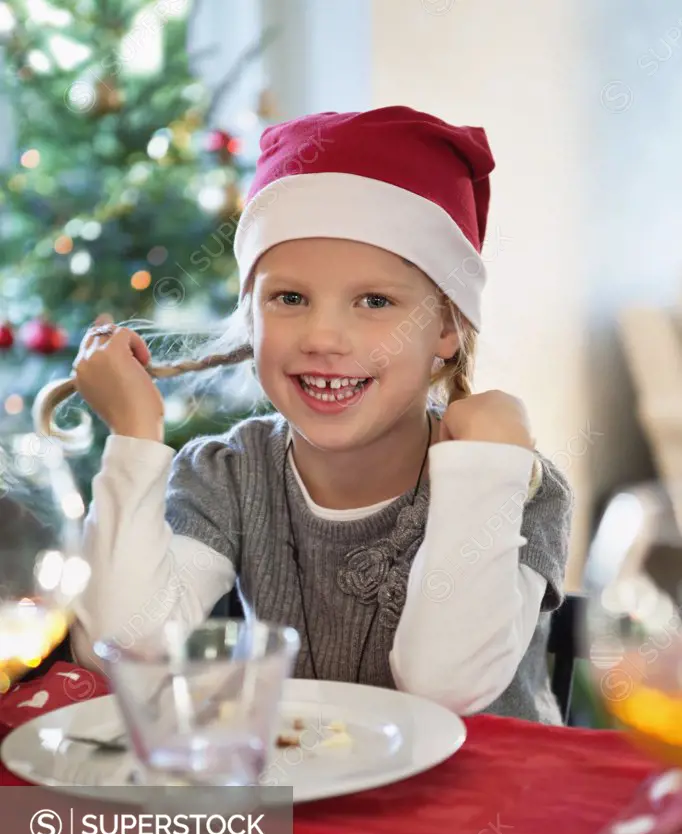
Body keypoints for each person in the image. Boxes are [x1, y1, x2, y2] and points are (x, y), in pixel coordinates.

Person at [34, 106, 573, 724]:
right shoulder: (230, 474)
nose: (323, 336)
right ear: (253, 316)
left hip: (491, 807)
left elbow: (443, 690)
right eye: (289, 298)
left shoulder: (516, 486)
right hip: (310, 804)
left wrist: (484, 468)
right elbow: (126, 650)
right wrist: (134, 436)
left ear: (447, 327)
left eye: (375, 301)